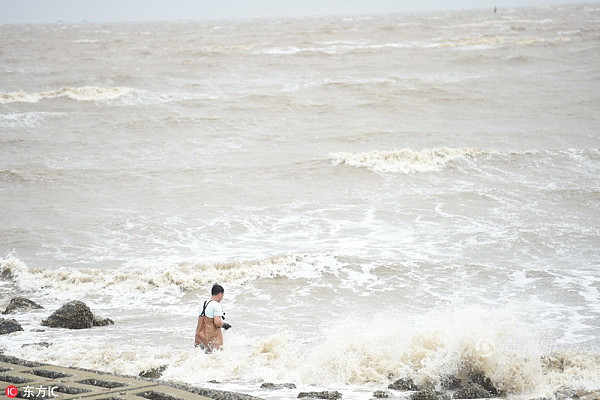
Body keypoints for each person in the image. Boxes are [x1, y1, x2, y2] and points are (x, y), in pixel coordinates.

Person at [194, 284, 231, 352]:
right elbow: (217, 322)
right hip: (212, 338)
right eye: (222, 295)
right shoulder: (216, 305)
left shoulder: (203, 303)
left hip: (201, 336)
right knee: (218, 355)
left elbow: (199, 322)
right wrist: (224, 325)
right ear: (220, 294)